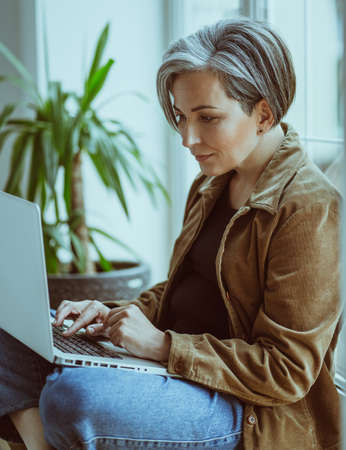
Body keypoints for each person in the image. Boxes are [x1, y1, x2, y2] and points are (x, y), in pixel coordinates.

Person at [0, 17, 342, 450]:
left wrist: (165, 347)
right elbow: (185, 291)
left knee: (72, 398)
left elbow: (287, 371)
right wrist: (111, 316)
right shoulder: (212, 182)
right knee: (10, 334)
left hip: (248, 409)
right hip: (174, 370)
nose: (188, 138)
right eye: (181, 117)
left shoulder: (308, 207)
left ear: (264, 113)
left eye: (208, 118)